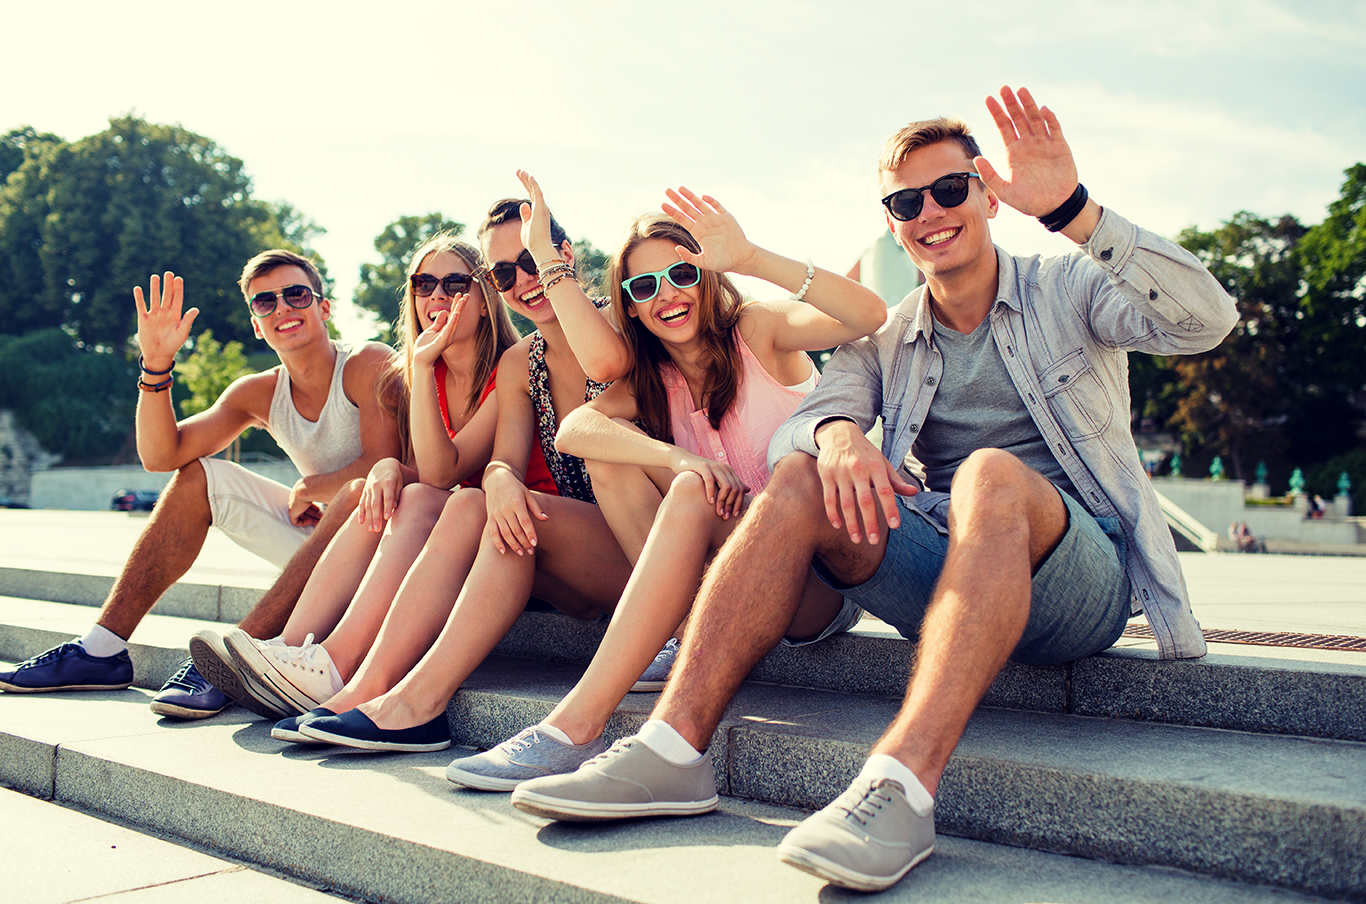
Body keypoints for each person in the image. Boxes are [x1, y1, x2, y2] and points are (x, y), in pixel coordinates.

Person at [506, 86, 1238, 893]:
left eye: (950, 190)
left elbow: (1206, 322)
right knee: (797, 476)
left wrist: (1072, 209)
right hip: (952, 570)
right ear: (892, 219)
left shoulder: (1067, 286)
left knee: (992, 474)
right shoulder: (892, 336)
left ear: (989, 196)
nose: (930, 211)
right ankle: (672, 750)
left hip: (1078, 578)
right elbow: (810, 416)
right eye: (905, 200)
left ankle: (900, 784)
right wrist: (837, 434)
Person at [445, 188, 886, 790]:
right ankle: (677, 637)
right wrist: (678, 456)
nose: (666, 295)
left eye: (680, 274)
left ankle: (571, 728)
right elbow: (578, 428)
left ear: (705, 276)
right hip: (735, 580)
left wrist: (751, 257)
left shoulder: (756, 330)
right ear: (629, 304)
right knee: (618, 461)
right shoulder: (655, 378)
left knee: (684, 491)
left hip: (816, 582)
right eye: (643, 286)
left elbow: (868, 315)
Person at [267, 187, 635, 751]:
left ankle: (401, 696)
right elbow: (476, 469)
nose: (523, 281)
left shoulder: (624, 323)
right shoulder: (522, 361)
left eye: (534, 260)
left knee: (454, 501)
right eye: (505, 271)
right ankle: (367, 688)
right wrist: (497, 476)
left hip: (640, 553)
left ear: (565, 252)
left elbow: (607, 366)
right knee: (464, 500)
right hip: (557, 559)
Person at [0, 250, 403, 720]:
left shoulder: (368, 362)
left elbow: (383, 463)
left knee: (355, 495)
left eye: (296, 295)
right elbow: (161, 455)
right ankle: (101, 649)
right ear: (256, 323)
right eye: (264, 303)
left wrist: (310, 486)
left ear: (324, 307)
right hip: (327, 548)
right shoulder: (256, 393)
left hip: (394, 544)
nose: (282, 309)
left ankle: (228, 661)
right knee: (198, 475)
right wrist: (156, 363)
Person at [189, 233, 522, 718]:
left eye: (455, 283)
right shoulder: (419, 376)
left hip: (514, 537)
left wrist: (421, 374)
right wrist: (390, 464)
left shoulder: (507, 367)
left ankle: (329, 663)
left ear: (487, 299)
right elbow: (429, 477)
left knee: (426, 498)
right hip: (464, 529)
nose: (438, 297)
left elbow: (443, 471)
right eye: (424, 284)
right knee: (398, 495)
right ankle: (294, 649)